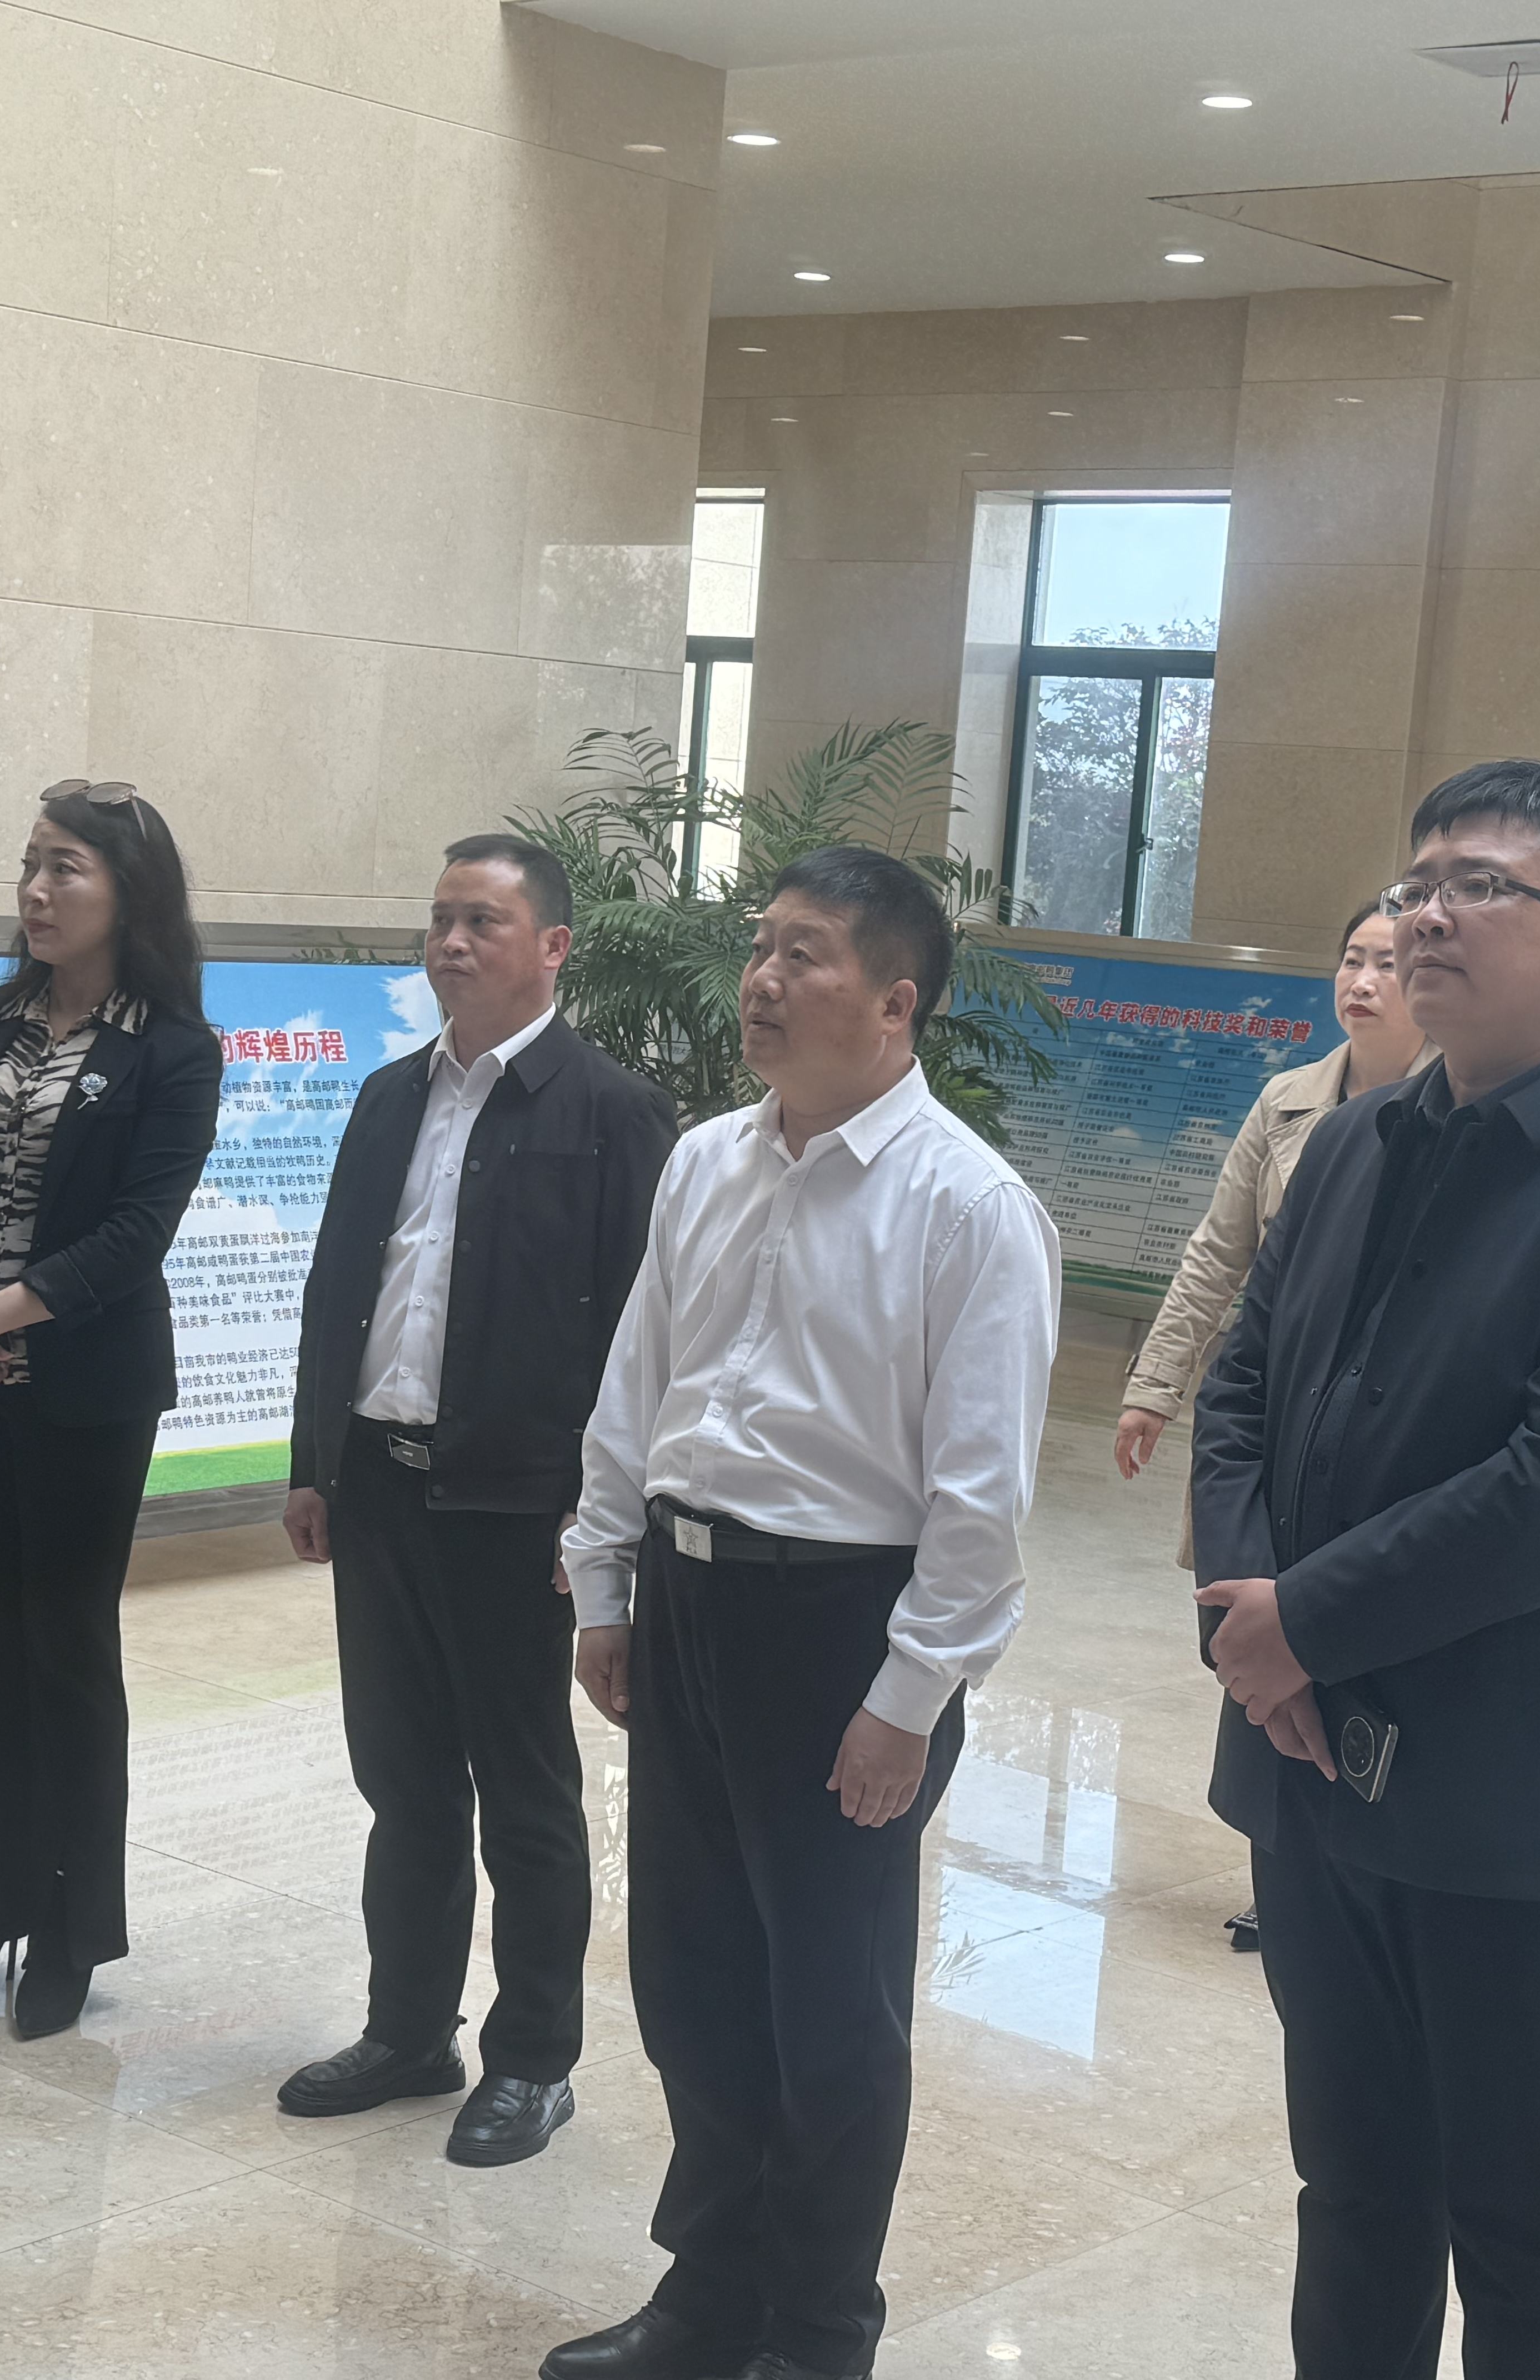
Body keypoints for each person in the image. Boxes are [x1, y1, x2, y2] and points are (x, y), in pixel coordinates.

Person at [1190, 760, 1540, 2379]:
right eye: (1418, 880)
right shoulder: (1355, 1142)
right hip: (1308, 1768)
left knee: (1523, 2227)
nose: (1428, 913)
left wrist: (1304, 1623)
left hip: (1506, 1799)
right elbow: (1241, 1388)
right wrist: (1249, 1627)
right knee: (1355, 2190)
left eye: (1481, 885)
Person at [546, 848, 1060, 2380]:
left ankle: (821, 2330)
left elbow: (982, 1499)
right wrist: (604, 1580)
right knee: (692, 1978)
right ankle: (709, 2296)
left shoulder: (970, 1206)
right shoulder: (706, 1159)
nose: (762, 980)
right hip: (689, 1600)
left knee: (830, 2008)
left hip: (846, 1633)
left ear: (896, 1003)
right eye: (762, 946)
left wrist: (909, 1701)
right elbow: (638, 1384)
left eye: (806, 954)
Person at [275, 834, 676, 2166]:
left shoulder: (615, 1113)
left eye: (482, 922)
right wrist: (314, 1464)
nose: (451, 943)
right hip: (379, 1490)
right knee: (402, 1780)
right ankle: (408, 2033)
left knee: (524, 1790)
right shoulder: (391, 1095)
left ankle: (534, 2061)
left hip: (518, 1510)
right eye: (440, 919)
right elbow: (339, 1288)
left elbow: (642, 1342)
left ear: (553, 946)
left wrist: (601, 1523)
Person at [0, 778, 222, 2041]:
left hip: (83, 1393)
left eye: (66, 867)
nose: (36, 890)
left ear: (130, 892)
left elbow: (134, 1235)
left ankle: (70, 1928)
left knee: (69, 1650)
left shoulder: (173, 1049)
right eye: (30, 864)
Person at [1116, 903, 1430, 1952]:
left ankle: (1355, 1862)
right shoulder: (1288, 1101)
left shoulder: (1459, 1106)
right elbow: (1219, 1253)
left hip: (1381, 1426)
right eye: (1352, 959)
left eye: (1388, 964)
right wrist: (1156, 1384)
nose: (1364, 981)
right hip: (1279, 1407)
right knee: (1252, 1628)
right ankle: (1280, 1865)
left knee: (1348, 1632)